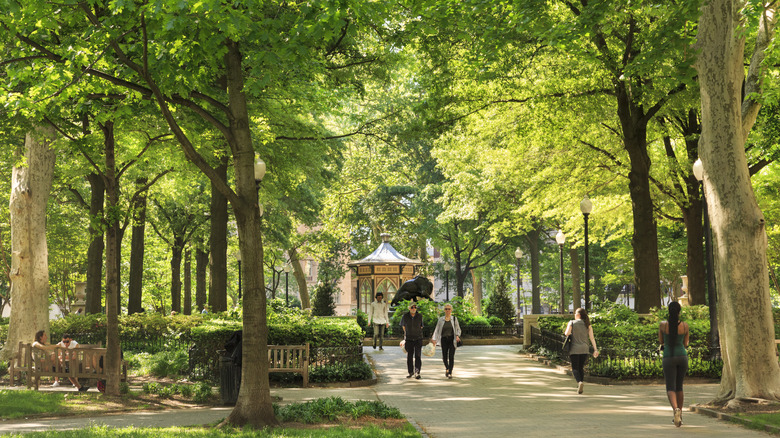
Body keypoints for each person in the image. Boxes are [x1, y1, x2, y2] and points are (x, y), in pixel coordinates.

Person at [659, 301, 689, 427]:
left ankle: (675, 409)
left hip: (668, 357)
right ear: (679, 311)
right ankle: (680, 413)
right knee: (679, 386)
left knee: (670, 387)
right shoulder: (685, 326)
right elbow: (686, 344)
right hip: (682, 356)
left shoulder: (663, 325)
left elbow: (661, 341)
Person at [564, 308, 599, 394]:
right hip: (585, 349)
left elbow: (567, 333)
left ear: (578, 315)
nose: (574, 315)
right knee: (581, 367)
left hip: (574, 348)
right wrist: (595, 349)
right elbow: (592, 338)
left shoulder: (571, 322)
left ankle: (579, 382)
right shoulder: (588, 325)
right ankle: (581, 383)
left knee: (575, 367)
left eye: (575, 313)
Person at [430, 303, 461, 379]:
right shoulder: (441, 319)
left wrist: (457, 336)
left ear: (451, 310)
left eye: (449, 309)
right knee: (444, 357)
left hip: (452, 340)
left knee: (451, 356)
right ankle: (447, 368)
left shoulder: (454, 319)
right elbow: (437, 330)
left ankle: (450, 372)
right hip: (443, 340)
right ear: (444, 310)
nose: (447, 310)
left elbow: (458, 329)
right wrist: (434, 339)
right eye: (446, 309)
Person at [401, 302, 424, 379]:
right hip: (409, 339)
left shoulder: (419, 316)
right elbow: (403, 327)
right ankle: (410, 372)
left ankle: (417, 372)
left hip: (418, 338)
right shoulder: (405, 316)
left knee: (418, 355)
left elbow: (421, 326)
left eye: (415, 307)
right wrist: (405, 336)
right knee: (409, 356)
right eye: (412, 307)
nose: (414, 309)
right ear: (409, 308)